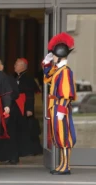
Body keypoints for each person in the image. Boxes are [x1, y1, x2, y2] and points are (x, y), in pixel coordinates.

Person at [42, 32, 76, 175]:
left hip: (59, 107)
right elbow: (47, 75)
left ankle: (66, 166)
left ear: (60, 54)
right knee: (58, 136)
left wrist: (61, 110)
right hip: (55, 106)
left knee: (63, 137)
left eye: (54, 55)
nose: (53, 57)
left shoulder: (65, 72)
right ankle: (62, 164)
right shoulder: (59, 70)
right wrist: (47, 61)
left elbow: (66, 93)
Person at [0, 58, 21, 164]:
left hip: (9, 110)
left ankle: (13, 157)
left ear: (2, 67)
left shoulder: (8, 78)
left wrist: (5, 99)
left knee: (11, 134)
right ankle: (0, 156)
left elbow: (16, 94)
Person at [14, 58, 42, 156]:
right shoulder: (19, 77)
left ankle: (31, 150)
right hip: (19, 106)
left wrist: (29, 109)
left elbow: (30, 95)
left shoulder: (28, 78)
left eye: (16, 64)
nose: (14, 66)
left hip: (25, 107)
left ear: (22, 66)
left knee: (28, 130)